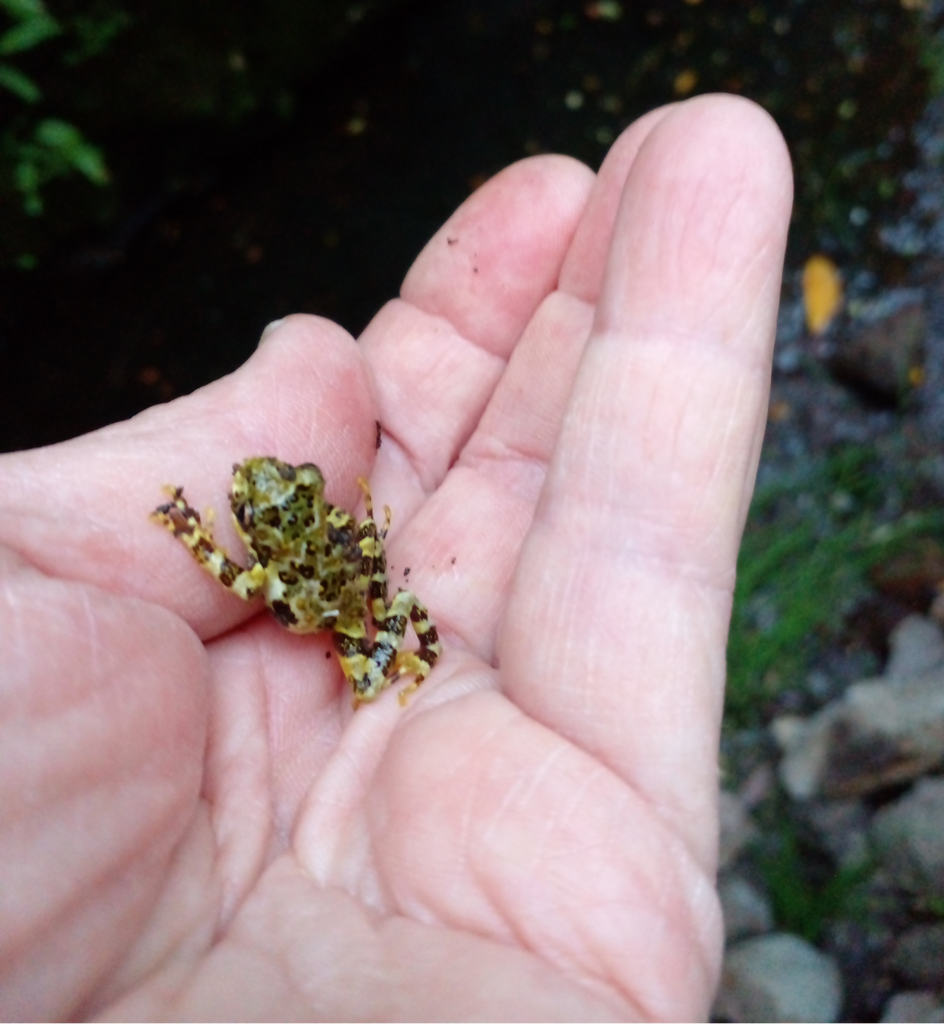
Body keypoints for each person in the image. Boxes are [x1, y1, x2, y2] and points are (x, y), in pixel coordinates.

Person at [0, 95, 792, 1024]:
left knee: (350, 602)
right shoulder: (294, 548)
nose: (263, 482)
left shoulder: (278, 550)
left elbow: (254, 577)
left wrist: (198, 530)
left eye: (272, 487)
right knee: (359, 597)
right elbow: (283, 567)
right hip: (340, 589)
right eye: (263, 491)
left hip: (338, 591)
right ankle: (395, 648)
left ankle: (389, 651)